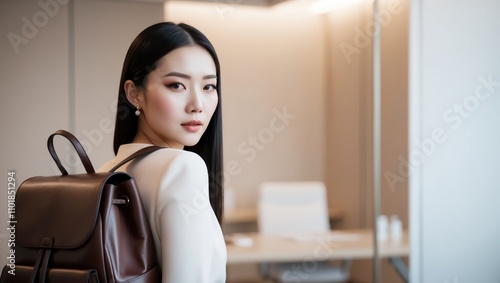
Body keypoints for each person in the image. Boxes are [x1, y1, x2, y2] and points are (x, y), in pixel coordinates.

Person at [98, 22, 226, 283]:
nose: (197, 105)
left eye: (208, 87)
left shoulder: (105, 172)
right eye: (177, 85)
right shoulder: (183, 167)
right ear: (135, 94)